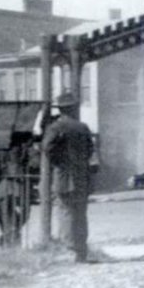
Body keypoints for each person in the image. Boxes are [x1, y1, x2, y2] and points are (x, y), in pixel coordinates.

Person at [42, 93, 94, 262]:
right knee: (80, 213)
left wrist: (59, 161)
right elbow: (90, 150)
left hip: (64, 176)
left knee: (65, 212)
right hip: (82, 176)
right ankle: (81, 251)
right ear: (74, 109)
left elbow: (47, 148)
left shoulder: (56, 127)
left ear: (61, 110)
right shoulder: (83, 127)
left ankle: (70, 249)